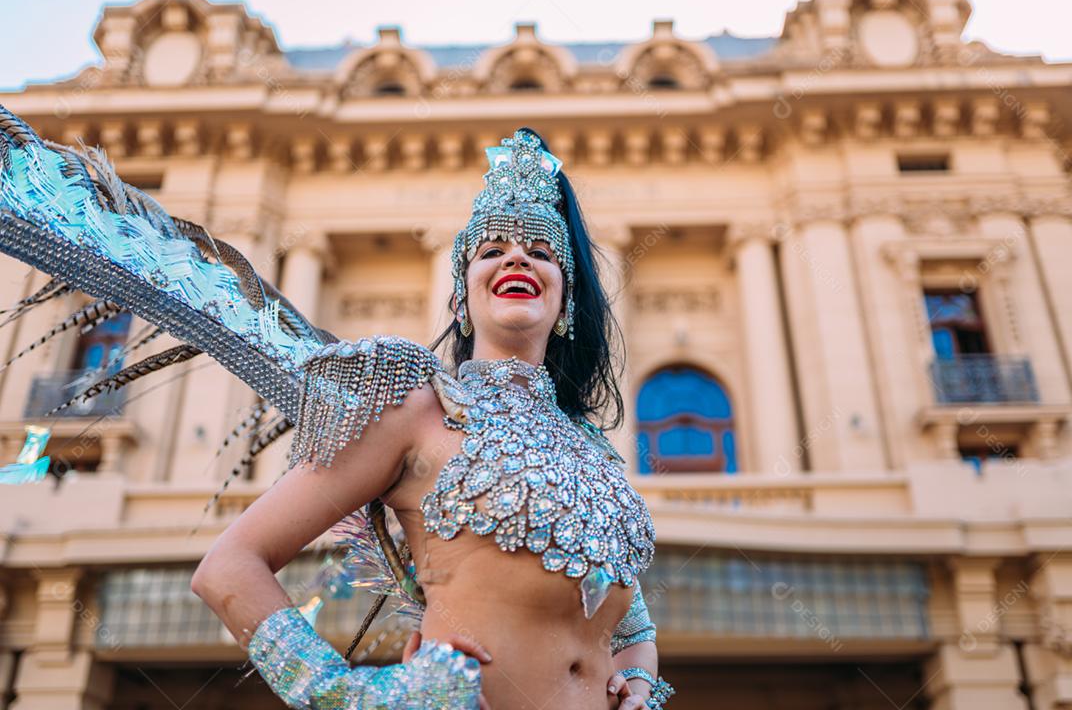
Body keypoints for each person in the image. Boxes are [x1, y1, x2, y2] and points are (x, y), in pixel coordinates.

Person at [0, 103, 673, 708]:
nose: (516, 259)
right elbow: (230, 566)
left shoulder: (589, 449)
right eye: (492, 250)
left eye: (541, 252)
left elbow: (629, 625)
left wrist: (639, 682)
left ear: (565, 297)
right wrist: (347, 693)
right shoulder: (420, 405)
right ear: (462, 296)